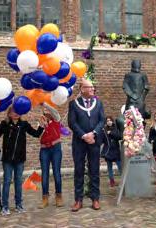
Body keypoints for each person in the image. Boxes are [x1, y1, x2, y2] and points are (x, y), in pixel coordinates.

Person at [0, 107, 45, 215]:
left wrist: (41, 126)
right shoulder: (4, 124)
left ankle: (19, 205)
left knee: (18, 182)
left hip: (19, 159)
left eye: (18, 111)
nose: (16, 114)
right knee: (6, 181)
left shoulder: (24, 124)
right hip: (7, 159)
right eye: (13, 112)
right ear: (9, 114)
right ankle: (5, 206)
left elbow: (36, 134)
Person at [68, 78, 105, 212]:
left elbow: (102, 120)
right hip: (79, 142)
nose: (92, 89)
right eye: (89, 87)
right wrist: (84, 135)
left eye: (92, 87)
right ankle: (78, 200)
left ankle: (95, 198)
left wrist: (93, 133)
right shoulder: (74, 104)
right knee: (79, 170)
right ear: (82, 89)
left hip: (94, 141)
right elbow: (72, 123)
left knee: (94, 170)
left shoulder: (98, 103)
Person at [38, 103, 63, 209]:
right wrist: (42, 127)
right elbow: (38, 137)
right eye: (44, 109)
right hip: (44, 150)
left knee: (57, 173)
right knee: (44, 174)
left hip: (55, 148)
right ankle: (45, 197)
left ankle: (59, 196)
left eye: (48, 109)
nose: (46, 110)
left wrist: (45, 104)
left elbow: (55, 112)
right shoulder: (41, 122)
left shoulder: (56, 118)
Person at [100, 116, 122, 187]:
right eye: (107, 121)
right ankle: (112, 181)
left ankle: (123, 180)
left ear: (112, 121)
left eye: (110, 120)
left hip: (115, 150)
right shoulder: (104, 130)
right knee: (109, 167)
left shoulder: (116, 128)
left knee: (120, 166)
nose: (109, 122)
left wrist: (111, 133)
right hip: (108, 151)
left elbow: (119, 136)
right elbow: (102, 140)